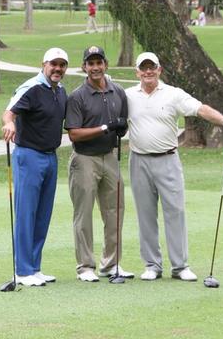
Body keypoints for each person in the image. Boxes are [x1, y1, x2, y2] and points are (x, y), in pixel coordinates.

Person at [125, 52, 223, 282]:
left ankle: (180, 266)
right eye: (143, 68)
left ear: (159, 69)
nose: (148, 72)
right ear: (137, 72)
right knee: (145, 214)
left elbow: (201, 109)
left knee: (175, 212)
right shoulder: (127, 95)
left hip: (168, 160)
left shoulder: (173, 94)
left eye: (152, 67)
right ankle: (152, 265)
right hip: (138, 161)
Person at [1, 47, 69, 287]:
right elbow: (9, 112)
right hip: (29, 156)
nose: (57, 69)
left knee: (42, 215)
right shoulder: (31, 88)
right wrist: (10, 124)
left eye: (62, 65)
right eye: (54, 64)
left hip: (51, 157)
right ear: (44, 65)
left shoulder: (60, 92)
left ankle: (34, 267)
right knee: (26, 213)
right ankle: (22, 270)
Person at [65, 46, 133, 282]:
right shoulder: (77, 96)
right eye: (90, 63)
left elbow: (122, 124)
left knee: (115, 211)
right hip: (84, 159)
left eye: (99, 63)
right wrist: (105, 127)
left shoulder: (118, 92)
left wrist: (121, 128)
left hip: (110, 156)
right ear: (84, 67)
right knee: (83, 213)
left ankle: (111, 264)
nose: (95, 68)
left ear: (106, 65)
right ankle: (85, 266)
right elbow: (73, 134)